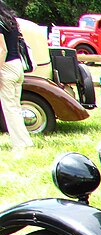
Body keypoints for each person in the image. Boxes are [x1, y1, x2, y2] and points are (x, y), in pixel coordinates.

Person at [0, 0, 33, 150]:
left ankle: (19, 144)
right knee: (16, 107)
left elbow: (3, 50)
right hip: (18, 65)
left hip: (6, 67)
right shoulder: (11, 22)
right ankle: (26, 141)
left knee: (9, 109)